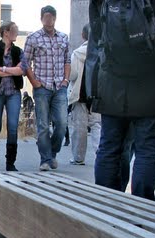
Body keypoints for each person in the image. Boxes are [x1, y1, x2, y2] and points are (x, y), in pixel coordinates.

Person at [90, 0, 155, 200]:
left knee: (109, 146)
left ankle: (105, 204)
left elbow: (96, 28)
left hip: (113, 78)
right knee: (147, 148)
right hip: (153, 77)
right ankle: (141, 208)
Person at [24, 5, 71, 171]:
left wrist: (65, 80)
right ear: (41, 19)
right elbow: (25, 63)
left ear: (55, 18)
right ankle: (45, 159)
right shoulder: (33, 38)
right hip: (42, 87)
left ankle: (52, 153)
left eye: (51, 16)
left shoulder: (64, 38)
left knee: (62, 124)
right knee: (43, 126)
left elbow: (67, 61)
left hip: (59, 87)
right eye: (45, 17)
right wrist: (34, 82)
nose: (48, 20)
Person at [0, 21, 27, 171]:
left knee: (13, 127)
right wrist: (11, 69)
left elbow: (22, 70)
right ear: (6, 32)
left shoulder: (18, 52)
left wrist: (2, 68)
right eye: (14, 30)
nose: (16, 32)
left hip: (13, 93)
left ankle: (10, 162)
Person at [68, 25, 99, 166]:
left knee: (79, 127)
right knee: (97, 125)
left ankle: (78, 157)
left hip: (80, 94)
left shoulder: (77, 53)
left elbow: (72, 74)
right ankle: (100, 153)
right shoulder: (101, 51)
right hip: (98, 94)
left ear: (83, 35)